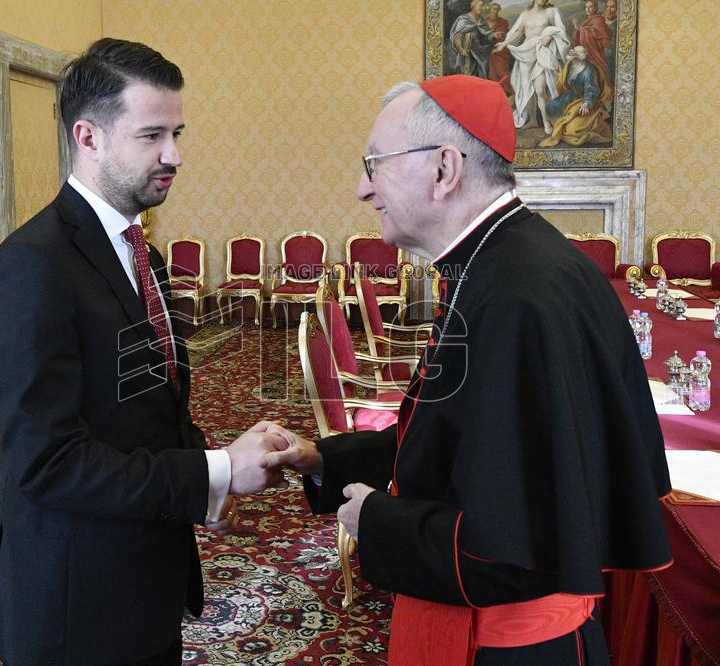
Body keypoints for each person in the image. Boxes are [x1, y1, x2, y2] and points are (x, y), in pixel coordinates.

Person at [263, 75, 672, 664]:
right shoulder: (500, 265)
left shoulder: (517, 297)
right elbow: (467, 446)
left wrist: (374, 520)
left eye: (373, 164)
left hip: (506, 646)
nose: (362, 188)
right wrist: (325, 460)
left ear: (443, 169)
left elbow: (505, 554)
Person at [0, 39, 286, 664]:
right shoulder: (31, 268)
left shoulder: (138, 251)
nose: (174, 155)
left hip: (141, 578)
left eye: (177, 132)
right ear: (88, 137)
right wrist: (215, 470)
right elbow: (49, 464)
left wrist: (206, 486)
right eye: (152, 136)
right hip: (75, 608)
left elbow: (148, 409)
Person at [493, 0, 570, 135]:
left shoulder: (551, 11)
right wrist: (504, 44)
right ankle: (532, 120)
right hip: (526, 53)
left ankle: (547, 122)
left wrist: (550, 37)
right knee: (526, 88)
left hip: (541, 52)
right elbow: (518, 31)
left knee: (540, 89)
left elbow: (560, 30)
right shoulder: (525, 14)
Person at [539, 45, 613, 147]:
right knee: (551, 108)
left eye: (580, 53)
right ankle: (562, 123)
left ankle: (577, 124)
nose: (576, 54)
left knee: (573, 130)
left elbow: (591, 88)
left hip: (583, 101)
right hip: (569, 98)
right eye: (575, 52)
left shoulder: (588, 71)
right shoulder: (570, 65)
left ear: (585, 55)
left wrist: (586, 103)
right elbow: (563, 79)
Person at [448, 0, 494, 78]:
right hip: (468, 53)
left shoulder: (481, 20)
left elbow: (487, 33)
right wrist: (462, 50)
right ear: (473, 6)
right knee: (468, 75)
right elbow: (457, 36)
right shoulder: (463, 19)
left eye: (483, 6)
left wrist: (493, 34)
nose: (483, 8)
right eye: (481, 5)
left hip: (480, 53)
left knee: (482, 74)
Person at [572, 0, 613, 86]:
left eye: (590, 7)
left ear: (596, 8)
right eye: (586, 7)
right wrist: (577, 29)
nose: (588, 9)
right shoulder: (585, 22)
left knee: (596, 75)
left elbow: (600, 35)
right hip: (585, 53)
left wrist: (580, 29)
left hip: (596, 53)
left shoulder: (598, 20)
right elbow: (577, 40)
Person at [484, 3, 513, 95]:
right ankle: (495, 92)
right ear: (490, 10)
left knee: (502, 72)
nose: (495, 11)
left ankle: (511, 90)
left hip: (500, 50)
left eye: (497, 9)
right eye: (493, 9)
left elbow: (506, 36)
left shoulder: (503, 22)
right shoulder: (483, 22)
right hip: (484, 49)